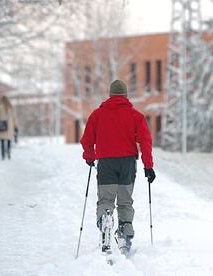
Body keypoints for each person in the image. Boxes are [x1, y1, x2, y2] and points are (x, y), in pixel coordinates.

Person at [80, 79, 156, 256]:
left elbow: (87, 140)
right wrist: (148, 166)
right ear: (126, 95)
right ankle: (125, 236)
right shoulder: (136, 116)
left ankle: (106, 220)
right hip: (127, 163)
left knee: (106, 201)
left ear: (110, 95)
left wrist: (90, 157)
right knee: (124, 201)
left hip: (106, 162)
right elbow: (145, 141)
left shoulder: (97, 115)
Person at [0, 96, 17, 160]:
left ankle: (2, 155)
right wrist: (15, 125)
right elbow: (14, 118)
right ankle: (8, 152)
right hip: (10, 126)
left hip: (2, 125)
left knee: (2, 141)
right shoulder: (11, 107)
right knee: (9, 141)